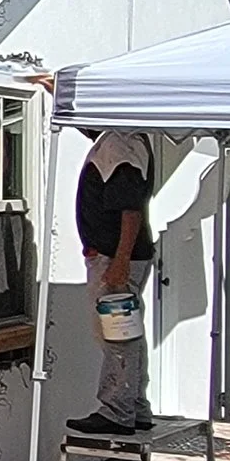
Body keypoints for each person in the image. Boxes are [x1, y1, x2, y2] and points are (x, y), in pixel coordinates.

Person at [69, 129, 155, 433]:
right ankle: (135, 407)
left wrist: (119, 261)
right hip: (117, 255)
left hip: (115, 257)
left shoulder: (120, 144)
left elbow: (130, 210)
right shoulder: (120, 140)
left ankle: (116, 411)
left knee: (117, 333)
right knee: (127, 331)